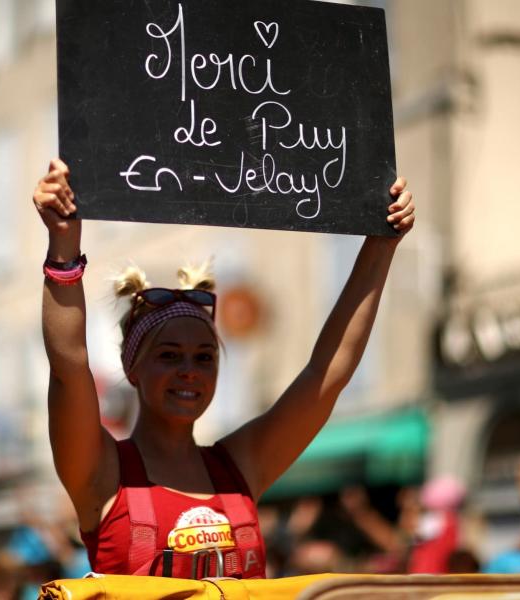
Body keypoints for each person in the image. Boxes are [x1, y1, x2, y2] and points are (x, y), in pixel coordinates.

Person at [33, 158, 415, 578]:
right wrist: (63, 244)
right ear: (133, 368)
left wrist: (381, 244)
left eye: (204, 357)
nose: (189, 371)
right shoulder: (101, 470)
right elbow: (69, 364)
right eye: (169, 355)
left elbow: (328, 374)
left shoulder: (240, 464)